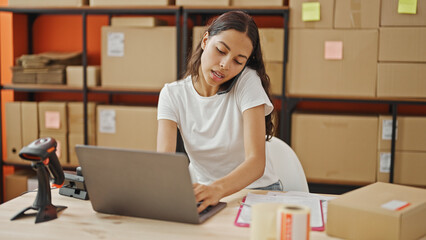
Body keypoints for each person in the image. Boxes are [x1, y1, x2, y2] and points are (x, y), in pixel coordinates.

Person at [157, 11, 281, 213]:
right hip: (206, 196)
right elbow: (164, 163)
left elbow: (256, 163)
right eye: (221, 50)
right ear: (206, 40)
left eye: (238, 61)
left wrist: (217, 189)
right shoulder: (172, 94)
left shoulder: (247, 82)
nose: (225, 65)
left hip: (257, 192)